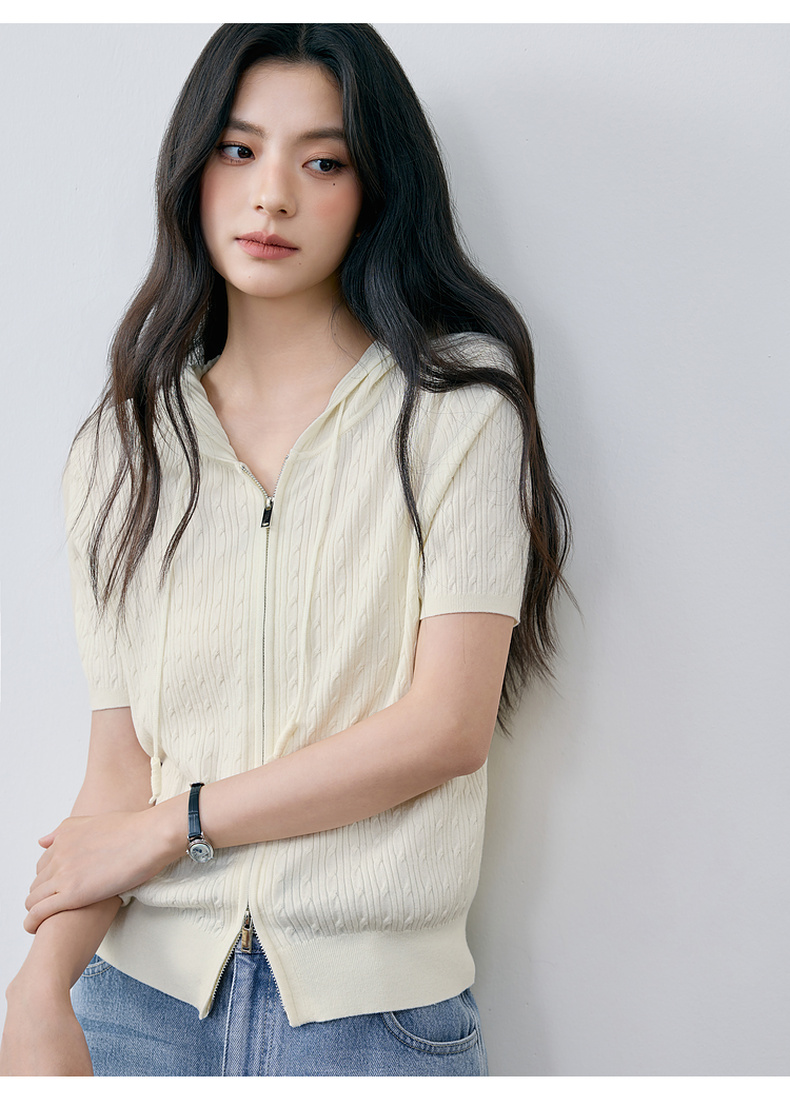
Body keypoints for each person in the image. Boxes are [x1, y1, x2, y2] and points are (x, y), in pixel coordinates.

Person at [0, 23, 570, 1077]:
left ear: (374, 191)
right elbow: (119, 774)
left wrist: (179, 823)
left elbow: (445, 727)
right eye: (238, 149)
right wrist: (37, 989)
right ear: (193, 171)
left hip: (373, 1027)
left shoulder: (454, 412)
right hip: (132, 1011)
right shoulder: (124, 448)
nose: (270, 197)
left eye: (323, 162)